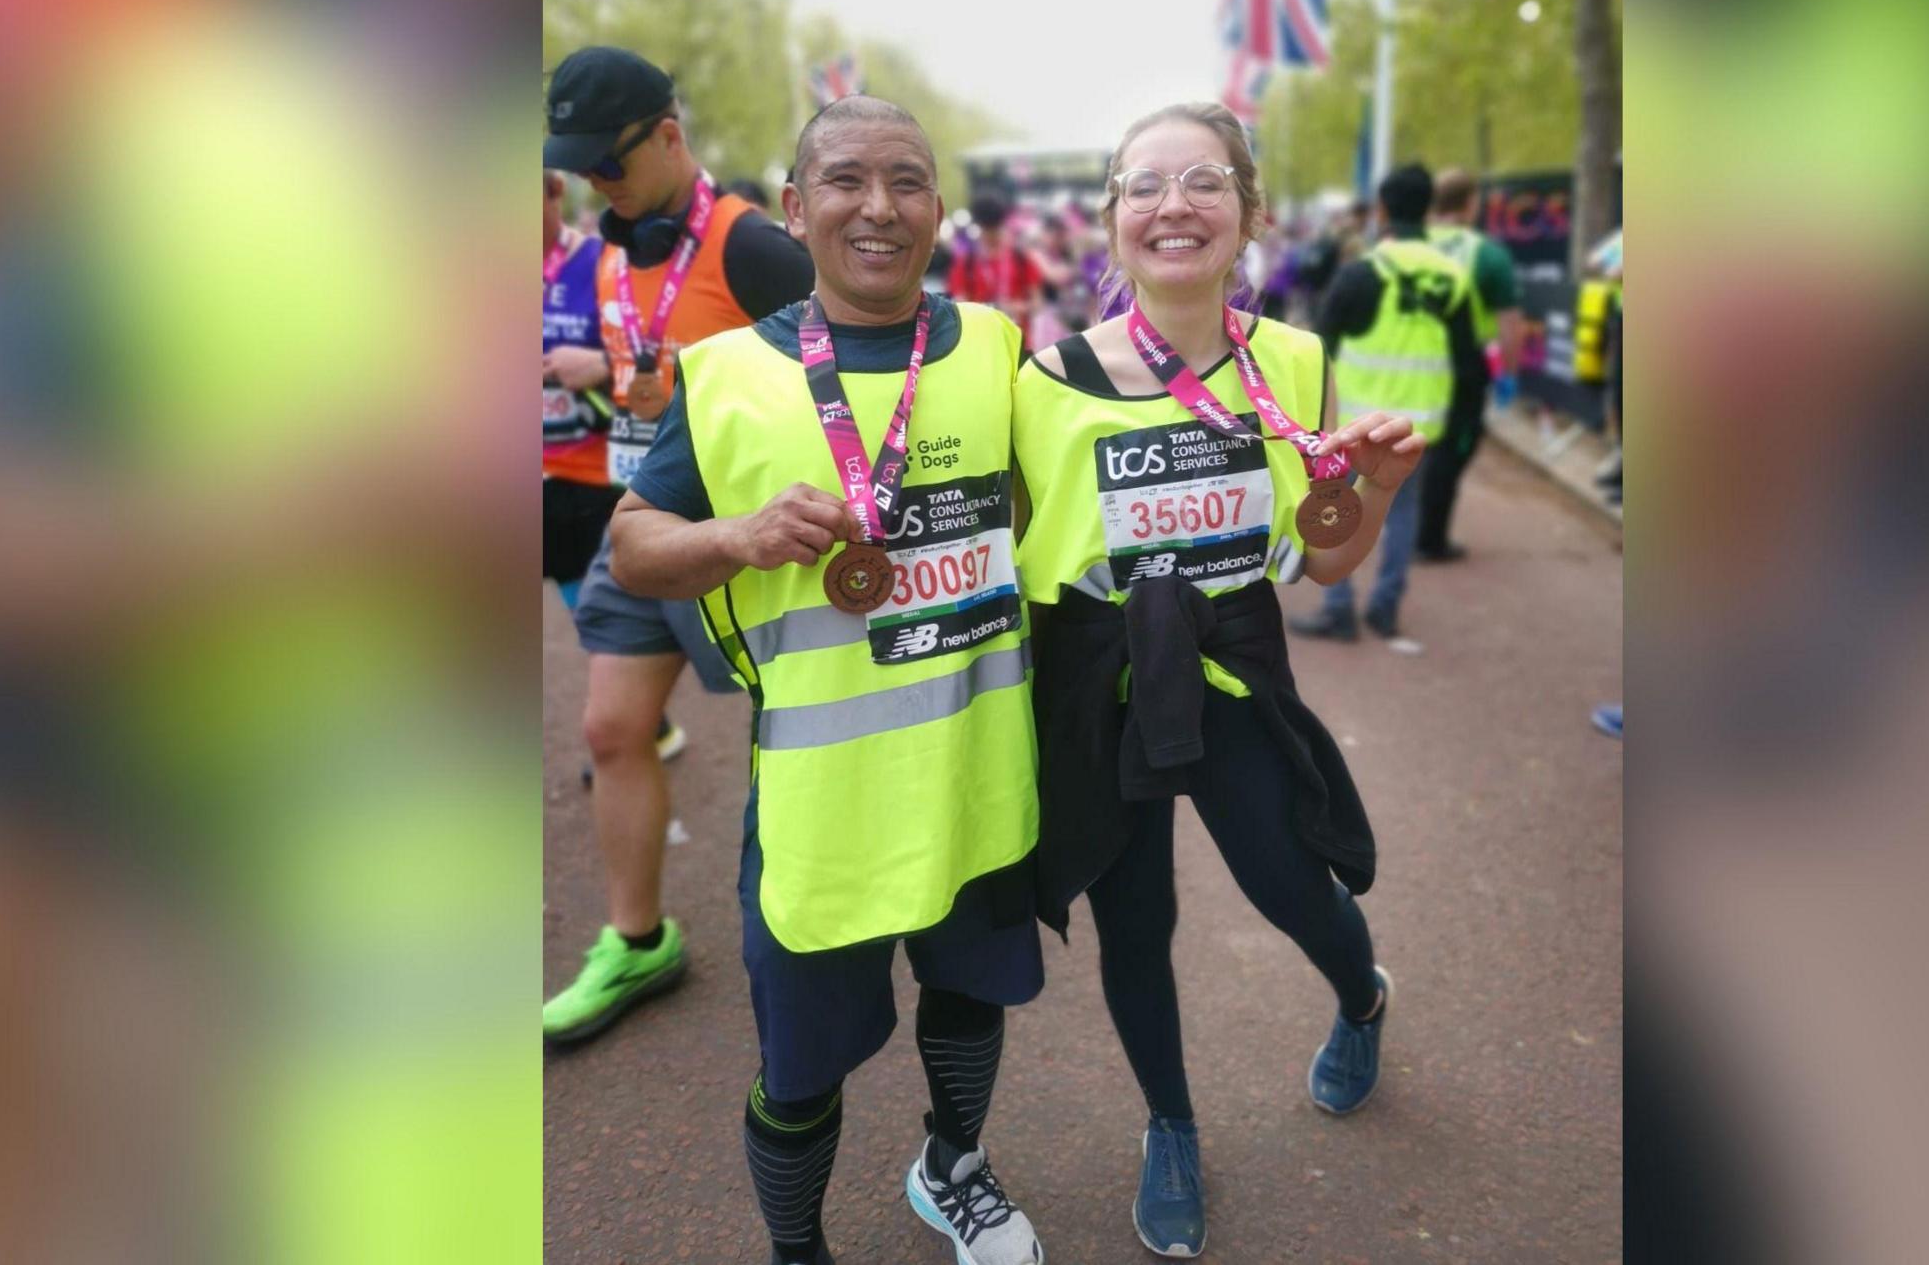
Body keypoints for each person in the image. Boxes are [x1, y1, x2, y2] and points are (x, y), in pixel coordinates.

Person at [607, 95, 1047, 1265]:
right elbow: (633, 541)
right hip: (821, 807)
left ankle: (951, 1165)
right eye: (847, 180)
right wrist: (735, 536)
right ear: (797, 208)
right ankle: (798, 1248)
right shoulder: (727, 374)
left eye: (907, 180)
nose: (879, 206)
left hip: (976, 777)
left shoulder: (998, 348)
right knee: (799, 1069)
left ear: (939, 211)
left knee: (973, 996)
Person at [1013, 101, 1420, 1257]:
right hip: (1100, 678)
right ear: (1110, 221)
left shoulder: (1292, 359)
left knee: (1292, 885)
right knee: (1134, 923)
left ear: (1249, 216)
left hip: (1233, 662)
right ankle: (1171, 1125)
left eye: (1201, 182)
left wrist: (1379, 490)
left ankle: (1364, 996)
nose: (1171, 205)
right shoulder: (1040, 378)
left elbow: (1325, 550)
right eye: (1142, 185)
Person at [540, 45, 816, 1045]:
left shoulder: (752, 247)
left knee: (789, 734)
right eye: (576, 169)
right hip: (638, 523)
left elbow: (838, 371)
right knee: (611, 729)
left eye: (606, 164)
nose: (591, 186)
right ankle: (638, 937)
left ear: (668, 135)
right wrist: (609, 380)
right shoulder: (612, 247)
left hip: (748, 541)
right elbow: (647, 383)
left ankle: (827, 917)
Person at [1290, 164, 1472, 641]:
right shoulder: (1452, 275)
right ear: (1429, 208)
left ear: (1383, 209)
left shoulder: (1362, 272)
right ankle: (1386, 605)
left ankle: (1338, 608)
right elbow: (1468, 356)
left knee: (1337, 508)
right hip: (1417, 422)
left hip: (1354, 421)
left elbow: (1319, 344)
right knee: (1403, 512)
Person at [1418, 168, 1525, 561]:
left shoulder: (1409, 243)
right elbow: (1509, 323)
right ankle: (1430, 538)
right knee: (1453, 449)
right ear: (1470, 203)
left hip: (1407, 360)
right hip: (1463, 365)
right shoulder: (1486, 254)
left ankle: (1405, 525)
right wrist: (1509, 373)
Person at [544, 171, 616, 610]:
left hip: (587, 483)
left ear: (553, 192)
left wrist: (602, 366)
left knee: (600, 620)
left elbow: (655, 355)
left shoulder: (602, 261)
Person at [947, 192, 1046, 345]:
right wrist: (987, 310)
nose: (991, 235)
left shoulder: (1020, 258)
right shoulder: (967, 262)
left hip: (1018, 342)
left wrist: (1017, 308)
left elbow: (1037, 303)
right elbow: (959, 303)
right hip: (980, 342)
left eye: (995, 228)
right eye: (986, 229)